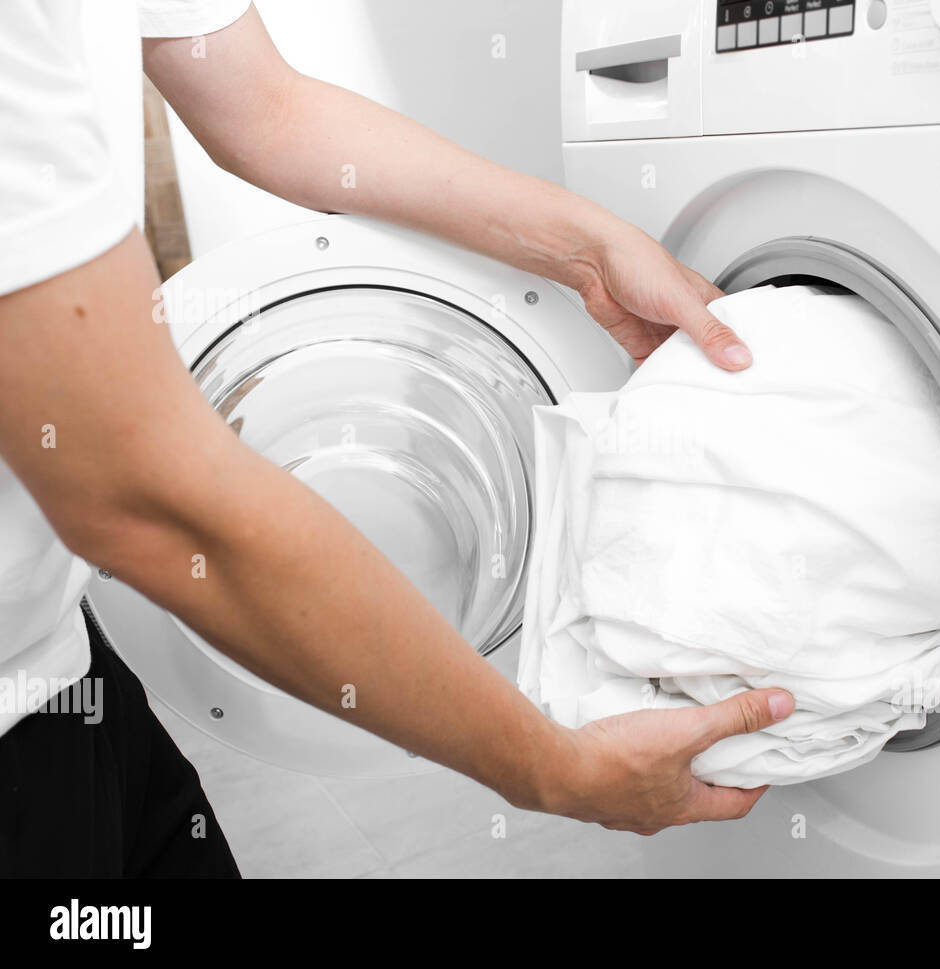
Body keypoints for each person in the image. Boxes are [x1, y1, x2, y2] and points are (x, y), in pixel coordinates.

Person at [0, 0, 795, 877]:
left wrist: (589, 247)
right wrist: (555, 766)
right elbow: (151, 502)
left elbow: (264, 107)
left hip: (55, 659)